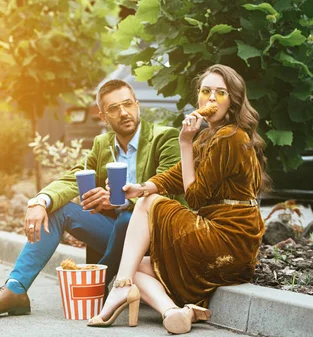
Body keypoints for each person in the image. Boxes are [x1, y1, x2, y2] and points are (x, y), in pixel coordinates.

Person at [0, 79, 182, 316]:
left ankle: (98, 287)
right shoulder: (102, 145)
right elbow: (73, 178)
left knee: (126, 219)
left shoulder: (164, 138)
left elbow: (168, 189)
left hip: (156, 237)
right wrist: (39, 201)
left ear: (137, 105)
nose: (123, 113)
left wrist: (121, 201)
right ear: (103, 117)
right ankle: (15, 289)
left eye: (127, 104)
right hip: (116, 235)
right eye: (113, 108)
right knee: (59, 211)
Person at [87, 64, 269, 334]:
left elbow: (194, 197)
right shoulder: (211, 135)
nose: (211, 99)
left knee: (151, 204)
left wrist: (184, 142)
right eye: (206, 91)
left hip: (228, 243)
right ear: (198, 96)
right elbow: (176, 176)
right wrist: (141, 187)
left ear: (233, 99)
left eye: (220, 92)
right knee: (135, 264)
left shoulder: (230, 138)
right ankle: (171, 312)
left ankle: (120, 288)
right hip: (221, 245)